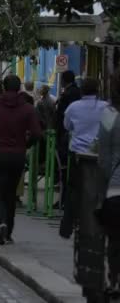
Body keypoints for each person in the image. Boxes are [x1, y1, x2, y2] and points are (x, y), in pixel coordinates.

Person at [0, 75, 42, 245]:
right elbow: (37, 133)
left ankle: (1, 223)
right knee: (10, 193)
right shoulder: (28, 109)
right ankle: (9, 232)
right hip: (17, 155)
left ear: (4, 88)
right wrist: (26, 145)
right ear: (19, 88)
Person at [60, 78, 108, 238]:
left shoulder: (73, 107)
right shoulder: (105, 107)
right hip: (98, 154)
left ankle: (67, 227)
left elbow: (67, 126)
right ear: (97, 90)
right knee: (97, 190)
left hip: (78, 154)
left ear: (82, 90)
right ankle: (94, 224)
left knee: (74, 190)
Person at [96, 76, 120, 293]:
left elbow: (103, 157)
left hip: (115, 188)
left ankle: (114, 281)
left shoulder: (109, 116)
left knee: (114, 238)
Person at [55, 70, 81, 208]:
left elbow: (64, 119)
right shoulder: (76, 92)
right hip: (72, 136)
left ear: (64, 80)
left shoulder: (68, 94)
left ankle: (64, 200)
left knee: (64, 170)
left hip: (66, 137)